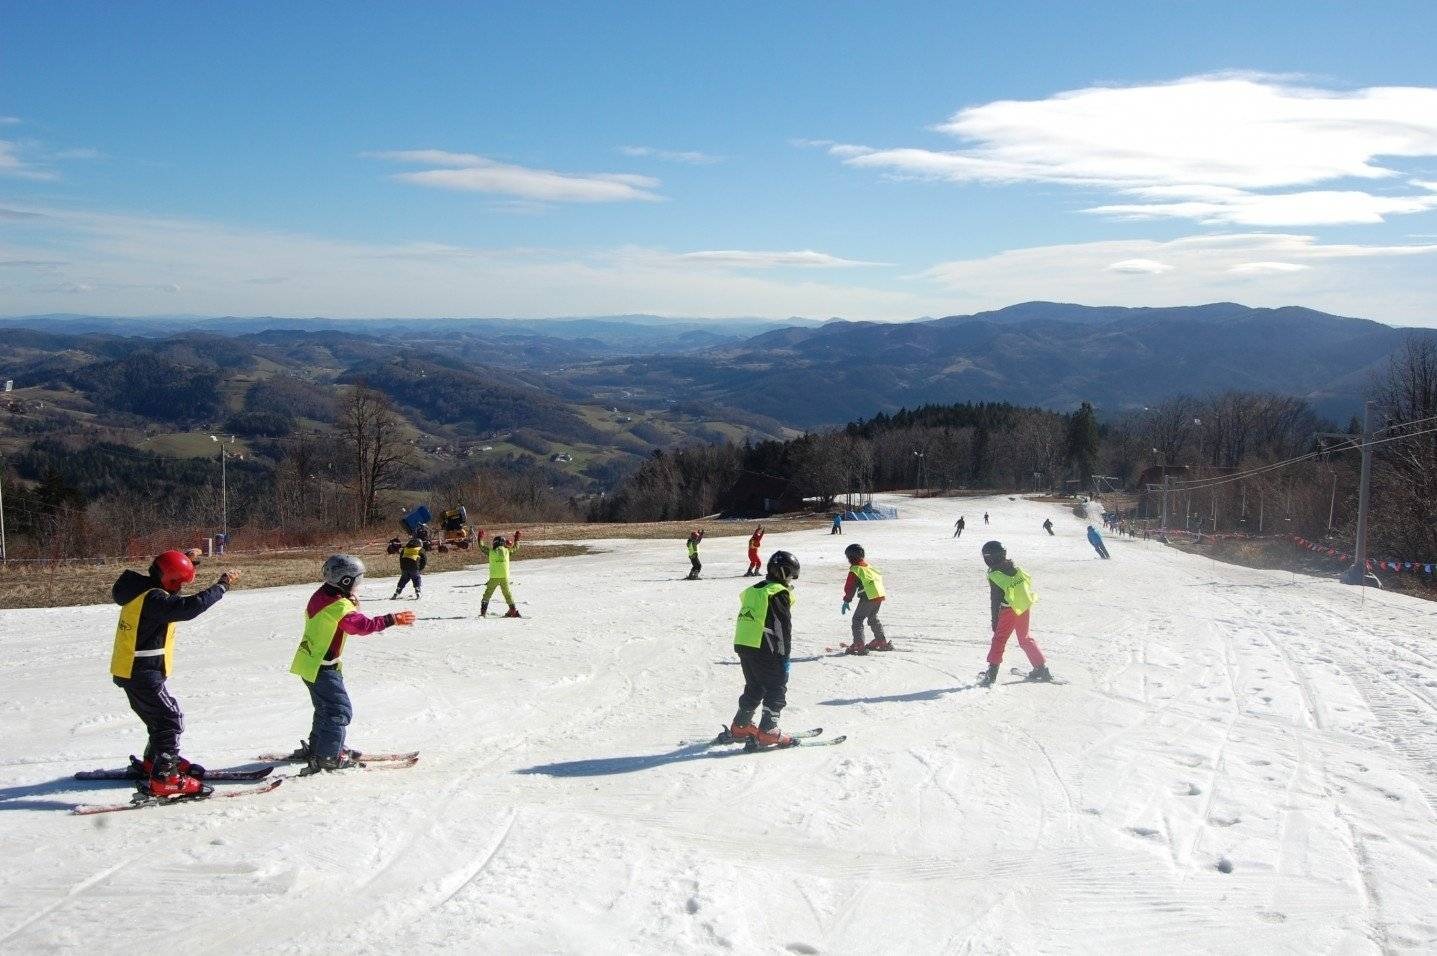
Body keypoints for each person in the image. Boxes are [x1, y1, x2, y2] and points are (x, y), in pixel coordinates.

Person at [110, 549, 240, 797]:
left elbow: (167, 568)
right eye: (180, 582)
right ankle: (165, 778)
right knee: (170, 719)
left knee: (158, 719)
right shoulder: (155, 599)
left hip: (133, 670)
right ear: (169, 581)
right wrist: (221, 586)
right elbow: (190, 607)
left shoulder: (143, 587)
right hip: (142, 672)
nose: (181, 588)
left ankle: (155, 762)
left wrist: (186, 561)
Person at [290, 555, 414, 772]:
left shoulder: (322, 594)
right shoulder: (339, 606)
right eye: (357, 579)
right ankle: (328, 757)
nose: (359, 584)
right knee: (339, 710)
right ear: (345, 581)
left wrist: (349, 600)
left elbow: (340, 610)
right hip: (323, 666)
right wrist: (390, 619)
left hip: (308, 661)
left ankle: (320, 747)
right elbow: (360, 626)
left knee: (324, 708)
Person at [729, 550, 801, 747]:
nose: (791, 581)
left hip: (744, 643)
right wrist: (784, 654)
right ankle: (768, 730)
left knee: (755, 685)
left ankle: (741, 726)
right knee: (776, 684)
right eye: (791, 576)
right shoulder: (777, 592)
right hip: (764, 645)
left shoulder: (754, 589)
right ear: (784, 573)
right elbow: (781, 626)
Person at [978, 540, 1050, 686]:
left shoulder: (995, 575)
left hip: (1009, 610)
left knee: (999, 639)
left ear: (990, 558)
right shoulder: (1015, 568)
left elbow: (995, 600)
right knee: (1024, 638)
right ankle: (1041, 669)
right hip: (1023, 606)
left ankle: (991, 674)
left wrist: (995, 621)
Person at [841, 543, 891, 654]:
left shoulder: (855, 569)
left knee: (857, 619)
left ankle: (858, 645)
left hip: (868, 596)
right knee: (872, 617)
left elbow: (850, 587)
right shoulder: (868, 567)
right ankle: (881, 641)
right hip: (879, 594)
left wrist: (846, 600)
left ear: (850, 557)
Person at [477, 530, 522, 616]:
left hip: (494, 576)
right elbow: (516, 548)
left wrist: (480, 539)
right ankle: (512, 610)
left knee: (488, 593)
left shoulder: (491, 552)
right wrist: (516, 539)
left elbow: (482, 547)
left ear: (495, 543)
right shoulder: (507, 551)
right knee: (507, 593)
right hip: (504, 576)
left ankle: (483, 611)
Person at [391, 527, 428, 600]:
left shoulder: (405, 548)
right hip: (414, 567)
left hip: (404, 567)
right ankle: (418, 591)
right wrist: (420, 569)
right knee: (416, 578)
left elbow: (401, 558)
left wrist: (402, 567)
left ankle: (397, 592)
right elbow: (424, 560)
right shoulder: (420, 549)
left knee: (403, 579)